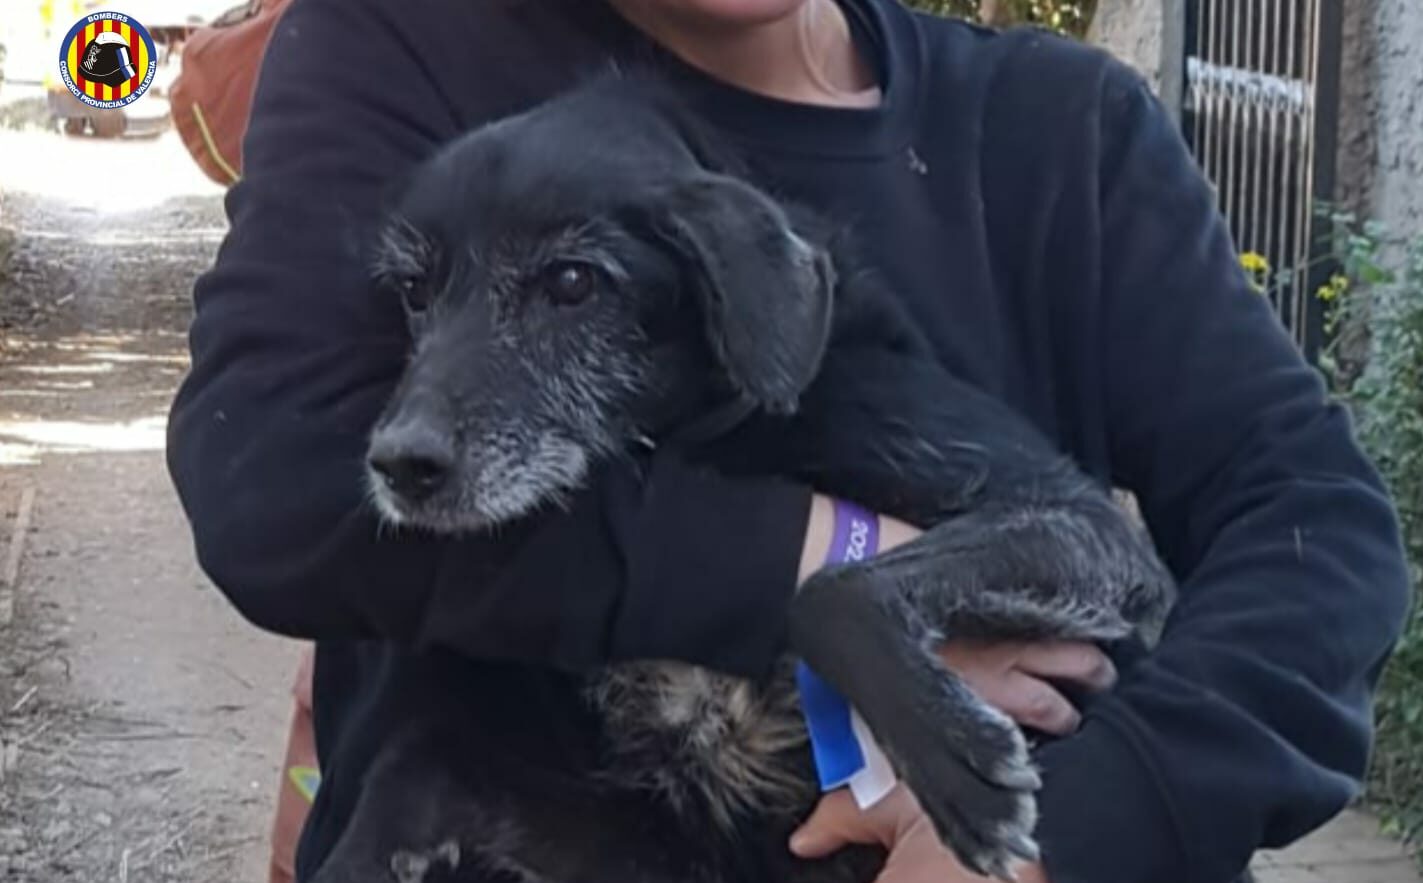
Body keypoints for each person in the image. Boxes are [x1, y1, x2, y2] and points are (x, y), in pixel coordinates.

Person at [164, 0, 1411, 881]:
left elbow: (1313, 528)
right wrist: (831, 565)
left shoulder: (1059, 130)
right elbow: (274, 474)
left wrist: (1071, 830)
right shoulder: (408, 49)